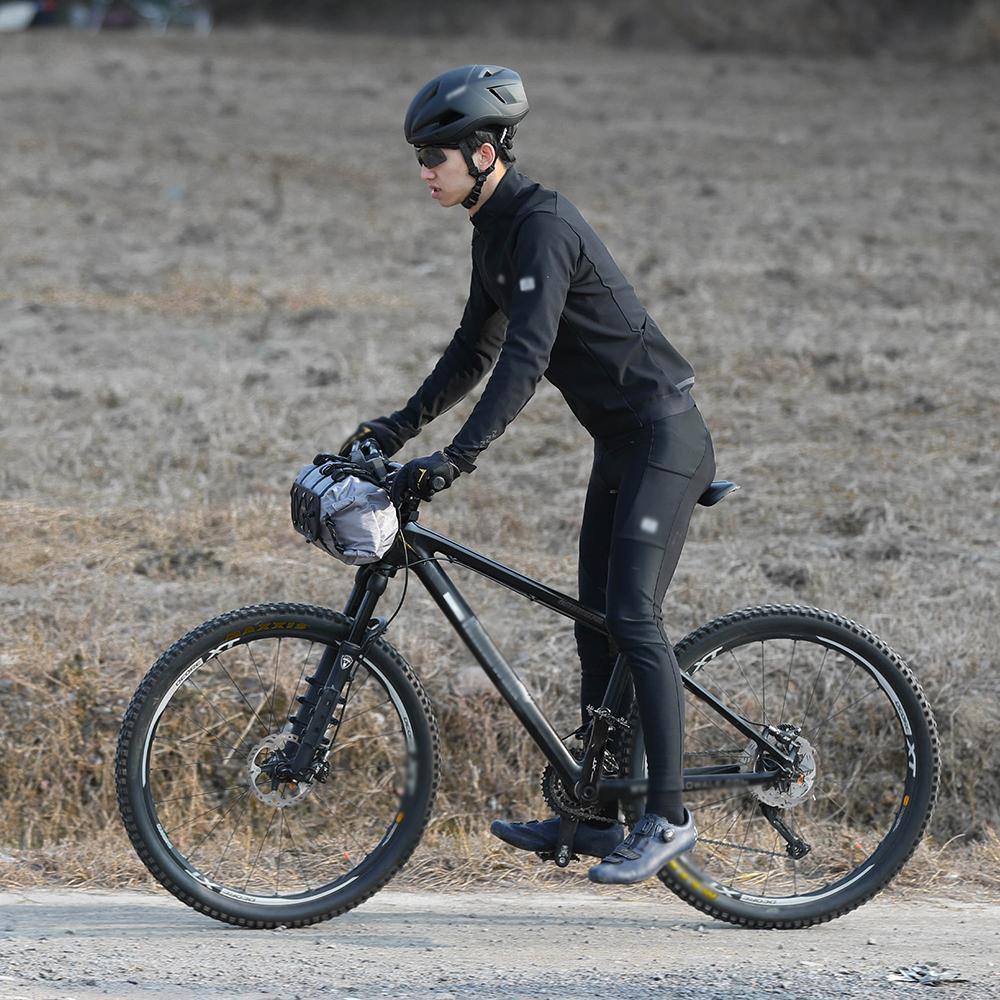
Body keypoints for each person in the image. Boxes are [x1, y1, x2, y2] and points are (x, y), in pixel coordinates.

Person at [340, 65, 716, 885]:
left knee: (633, 617)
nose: (423, 172)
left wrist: (457, 458)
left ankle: (669, 816)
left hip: (664, 437)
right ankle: (597, 815)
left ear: (483, 152)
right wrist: (394, 427)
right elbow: (473, 349)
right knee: (594, 625)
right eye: (418, 158)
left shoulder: (543, 224)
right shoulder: (493, 231)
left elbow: (526, 355)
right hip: (619, 444)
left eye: (433, 156)